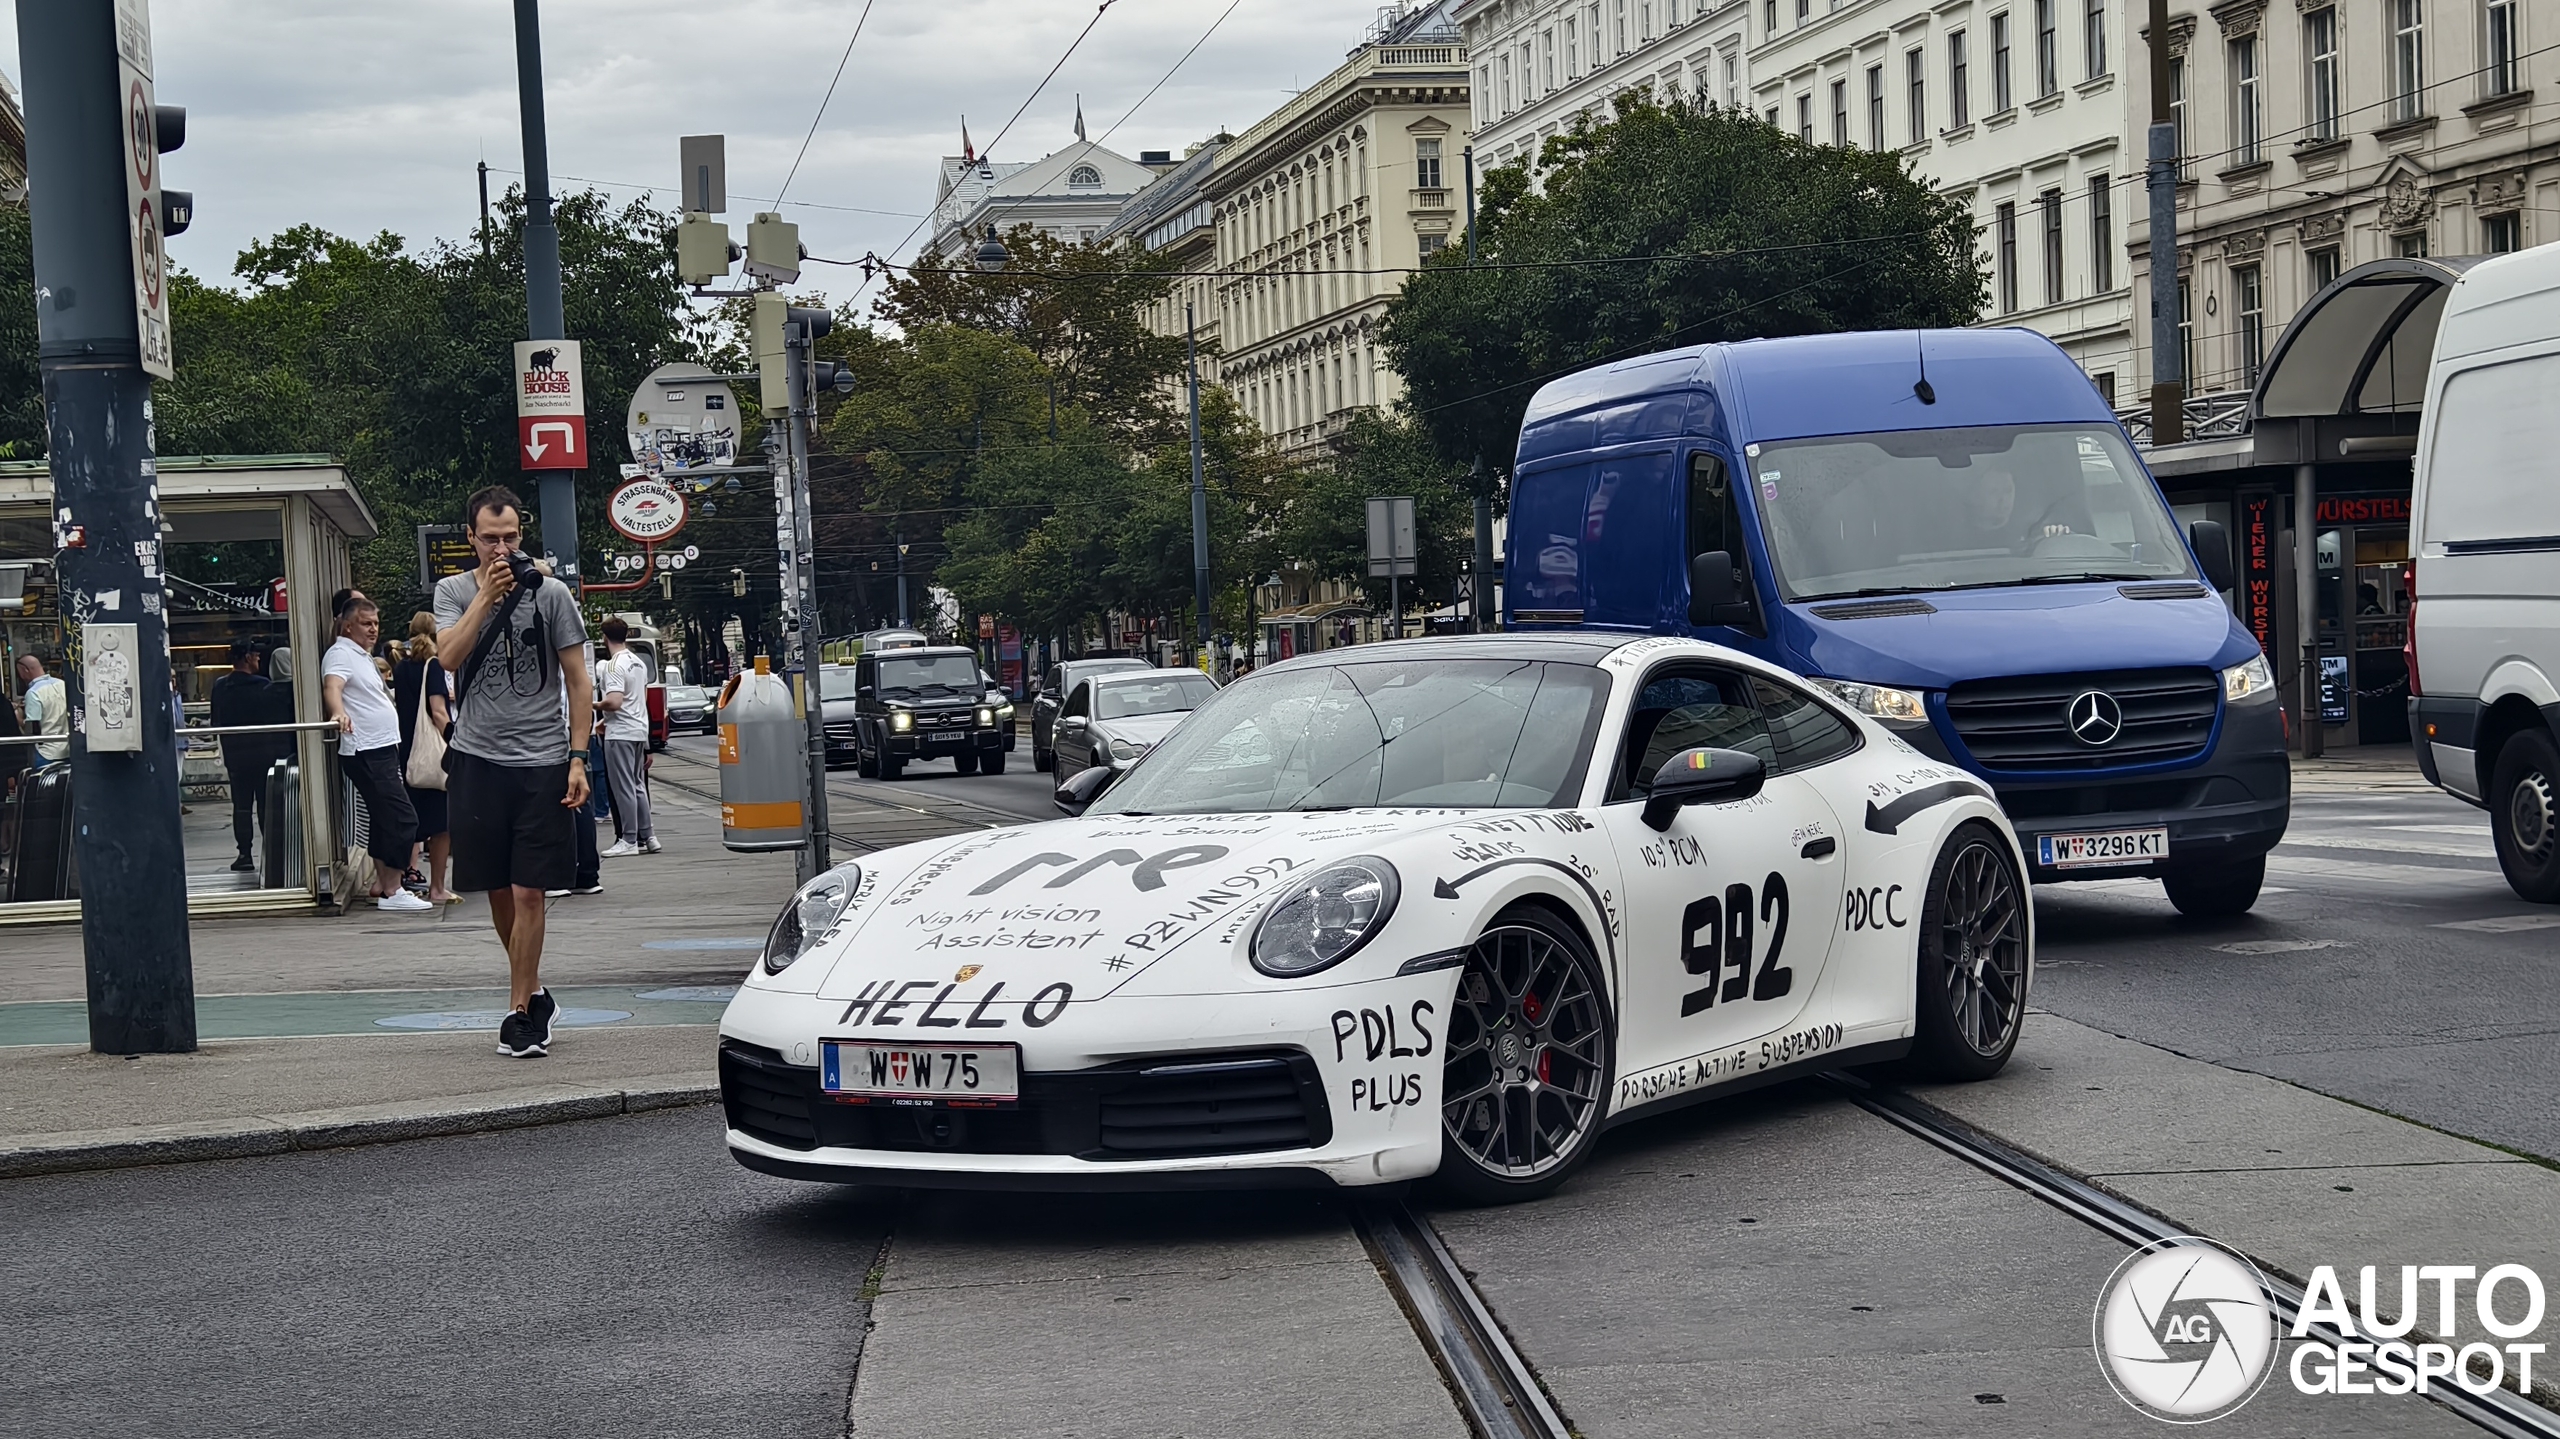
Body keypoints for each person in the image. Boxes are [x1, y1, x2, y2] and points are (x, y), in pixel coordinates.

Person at [433, 485, 594, 1059]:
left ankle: (519, 1010)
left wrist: (579, 758)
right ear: (471, 538)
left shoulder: (550, 594)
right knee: (497, 889)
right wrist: (487, 599)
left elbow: (579, 681)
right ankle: (536, 989)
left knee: (531, 890)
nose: (501, 548)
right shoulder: (452, 591)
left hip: (543, 760)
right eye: (490, 539)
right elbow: (447, 658)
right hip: (478, 760)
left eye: (511, 537)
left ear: (521, 535)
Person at [323, 594, 429, 913]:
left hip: (380, 745)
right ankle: (394, 888)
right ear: (347, 625)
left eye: (375, 624)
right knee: (401, 817)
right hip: (365, 747)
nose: (373, 630)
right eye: (366, 624)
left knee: (385, 818)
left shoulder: (361, 654)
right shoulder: (341, 653)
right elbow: (333, 686)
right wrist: (338, 712)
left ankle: (385, 885)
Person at [392, 614, 455, 904]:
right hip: (432, 755)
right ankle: (438, 887)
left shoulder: (401, 667)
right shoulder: (435, 667)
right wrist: (453, 742)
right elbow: (438, 712)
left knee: (409, 821)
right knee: (441, 826)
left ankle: (400, 881)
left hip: (407, 754)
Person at [208, 642, 280, 872]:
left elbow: (215, 720)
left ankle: (244, 853)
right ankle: (269, 850)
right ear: (248, 657)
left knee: (241, 806)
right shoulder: (264, 686)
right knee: (265, 805)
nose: (259, 659)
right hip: (263, 751)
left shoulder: (220, 686)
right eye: (257, 655)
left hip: (235, 754)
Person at [597, 616, 657, 857]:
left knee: (623, 788)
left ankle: (629, 840)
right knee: (637, 785)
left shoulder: (613, 665)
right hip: (638, 730)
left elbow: (614, 701)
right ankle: (650, 836)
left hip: (620, 732)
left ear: (604, 637)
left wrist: (590, 705)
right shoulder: (638, 663)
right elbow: (638, 698)